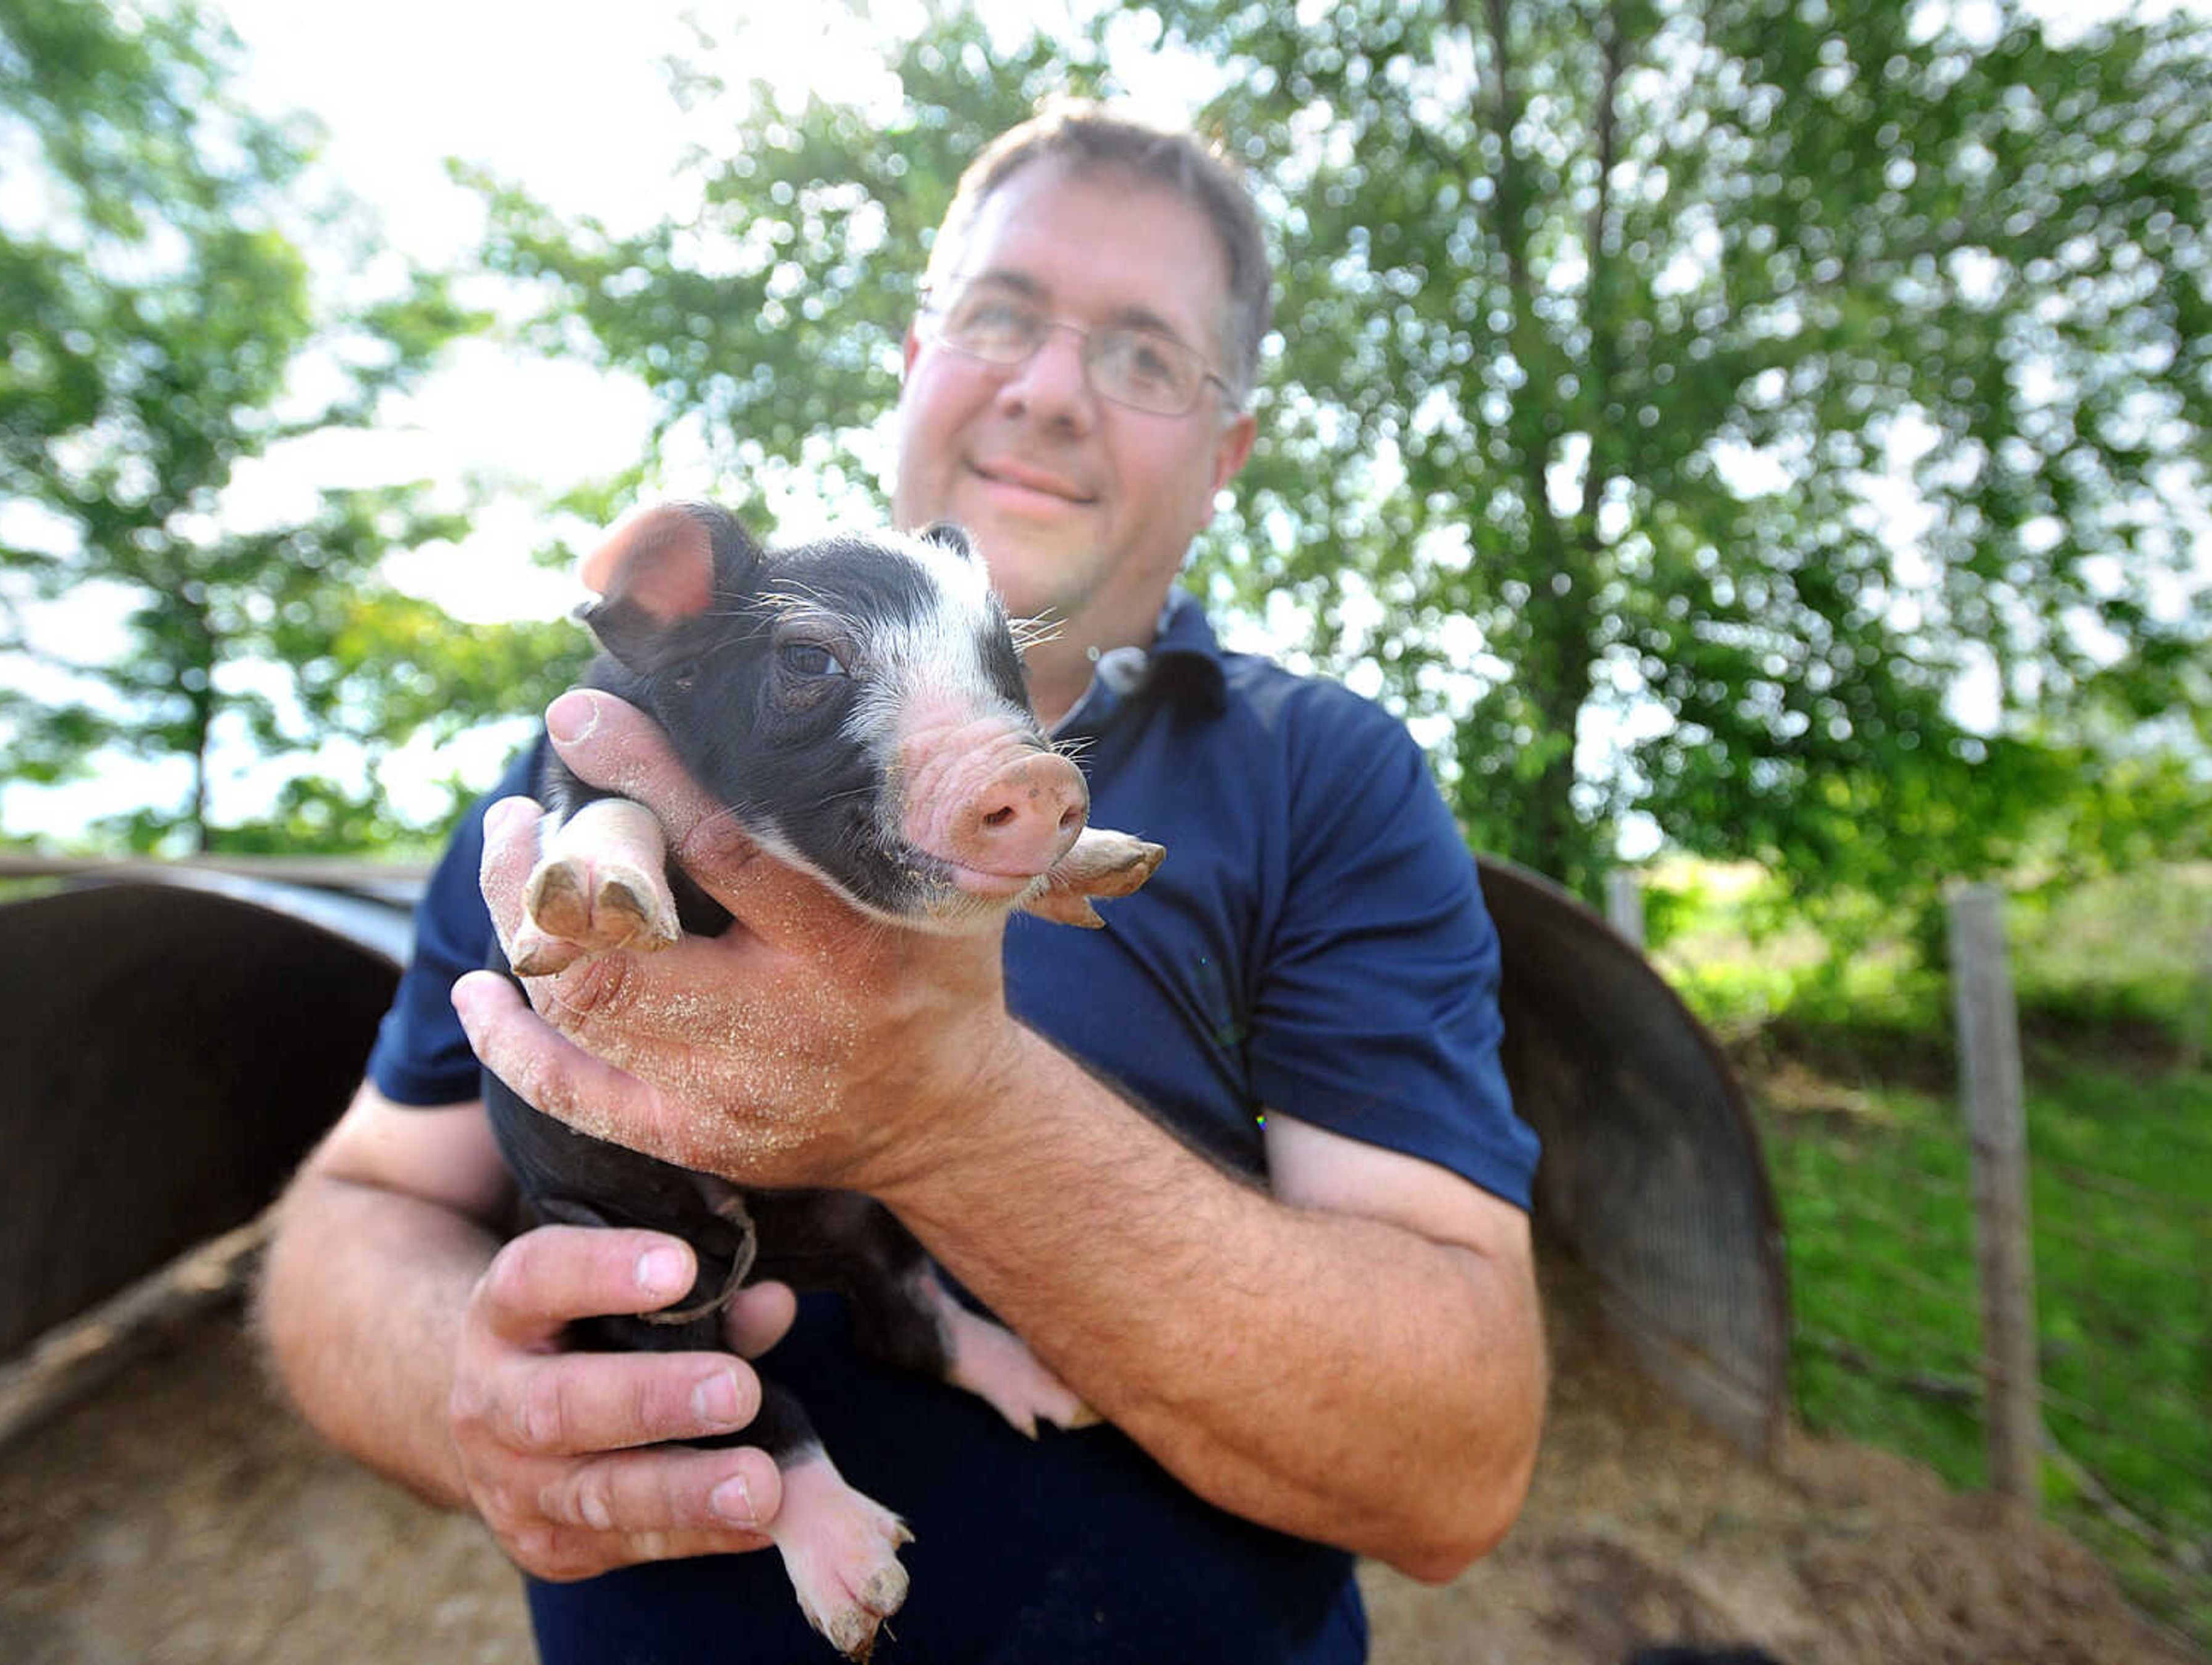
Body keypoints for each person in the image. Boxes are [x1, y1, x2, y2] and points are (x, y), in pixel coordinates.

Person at [257, 104, 1546, 1664]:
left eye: (1146, 355)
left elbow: (1456, 1469)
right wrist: (460, 1390)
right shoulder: (596, 768)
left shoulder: (1324, 775)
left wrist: (950, 1111)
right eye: (1002, 315)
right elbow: (366, 1210)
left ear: (1226, 455)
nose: (1051, 388)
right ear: (914, 350)